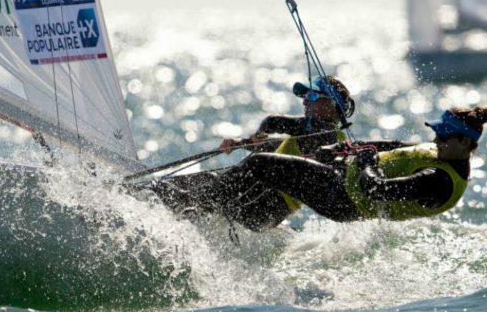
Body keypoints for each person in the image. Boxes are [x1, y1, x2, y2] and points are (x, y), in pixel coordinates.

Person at [212, 106, 487, 222]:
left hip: (344, 200)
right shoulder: (441, 150)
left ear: (466, 143)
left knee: (261, 164)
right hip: (341, 175)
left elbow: (376, 189)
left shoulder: (439, 181)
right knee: (272, 161)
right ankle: (233, 214)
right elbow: (392, 146)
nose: (436, 139)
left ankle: (211, 203)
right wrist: (345, 148)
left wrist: (366, 162)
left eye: (444, 136)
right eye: (436, 132)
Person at [151, 76, 356, 230]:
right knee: (203, 179)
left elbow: (272, 122)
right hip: (267, 213)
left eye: (312, 96)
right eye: (304, 96)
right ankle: (160, 201)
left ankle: (157, 207)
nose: (304, 102)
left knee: (194, 189)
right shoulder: (317, 137)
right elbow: (276, 151)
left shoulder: (323, 133)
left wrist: (261, 132)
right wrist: (241, 143)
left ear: (331, 105)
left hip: (260, 205)